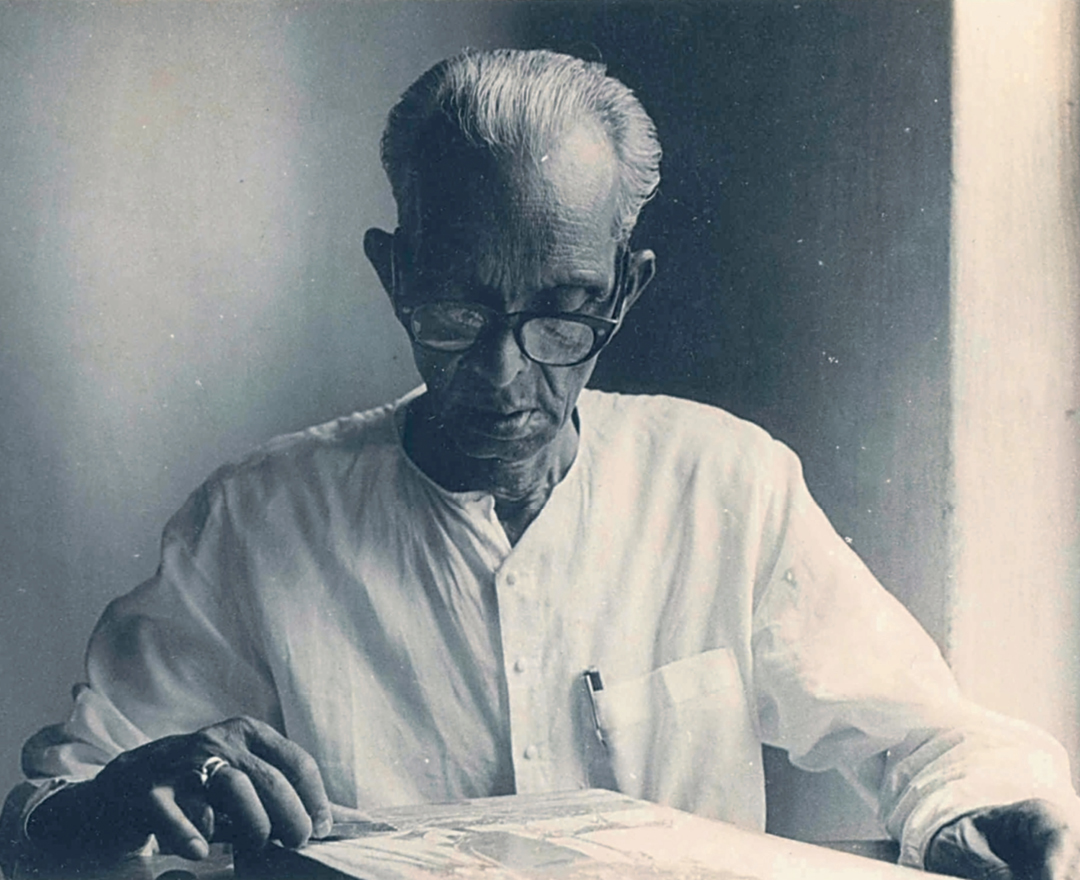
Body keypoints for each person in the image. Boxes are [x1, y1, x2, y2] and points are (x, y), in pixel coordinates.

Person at [2, 48, 1079, 879]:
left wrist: (978, 812)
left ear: (626, 289)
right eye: (456, 310)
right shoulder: (256, 521)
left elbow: (930, 740)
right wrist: (112, 803)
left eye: (564, 314)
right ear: (394, 275)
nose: (504, 375)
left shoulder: (725, 486)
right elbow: (48, 815)